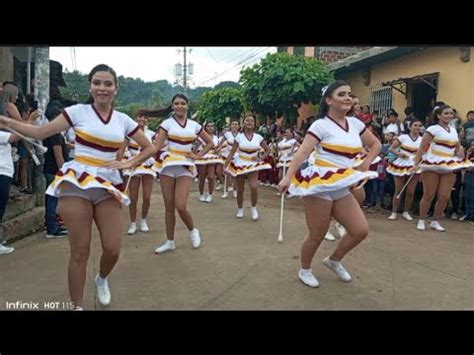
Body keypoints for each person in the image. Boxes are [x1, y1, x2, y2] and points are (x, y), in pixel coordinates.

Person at [0, 64, 156, 309]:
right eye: (97, 83)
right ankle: (77, 305)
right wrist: (6, 121)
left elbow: (150, 147)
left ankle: (102, 278)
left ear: (116, 88)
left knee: (113, 249)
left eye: (107, 84)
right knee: (80, 251)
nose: (102, 88)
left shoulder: (123, 120)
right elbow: (40, 132)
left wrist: (128, 162)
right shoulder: (77, 112)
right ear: (90, 86)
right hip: (77, 183)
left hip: (107, 184)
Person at [278, 80, 381, 288]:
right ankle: (304, 269)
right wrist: (288, 177)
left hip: (342, 183)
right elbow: (304, 152)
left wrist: (366, 163)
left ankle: (333, 260)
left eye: (349, 94)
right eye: (341, 94)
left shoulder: (355, 124)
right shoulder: (320, 125)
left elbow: (376, 144)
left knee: (360, 230)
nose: (348, 98)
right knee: (317, 234)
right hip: (320, 184)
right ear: (328, 100)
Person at [149, 94, 214, 254]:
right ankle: (170, 241)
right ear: (172, 106)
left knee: (181, 206)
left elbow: (210, 143)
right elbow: (156, 146)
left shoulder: (194, 125)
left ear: (187, 105)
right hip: (168, 165)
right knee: (169, 207)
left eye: (182, 103)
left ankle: (193, 230)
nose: (179, 106)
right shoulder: (166, 124)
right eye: (176, 103)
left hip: (185, 166)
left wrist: (198, 156)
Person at [413, 105, 472, 232]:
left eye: (451, 113)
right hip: (432, 162)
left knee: (445, 196)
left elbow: (457, 144)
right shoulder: (432, 129)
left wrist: (460, 148)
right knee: (429, 194)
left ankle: (435, 221)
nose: (449, 116)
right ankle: (422, 219)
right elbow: (423, 147)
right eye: (446, 113)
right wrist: (415, 163)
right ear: (439, 115)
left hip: (448, 163)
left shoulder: (453, 129)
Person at [225, 113, 271, 220]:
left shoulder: (258, 137)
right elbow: (232, 152)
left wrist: (261, 158)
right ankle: (240, 209)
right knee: (240, 189)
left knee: (254, 187)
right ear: (243, 123)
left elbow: (268, 149)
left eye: (251, 121)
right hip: (240, 163)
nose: (249, 122)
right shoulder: (239, 138)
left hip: (253, 164)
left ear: (254, 124)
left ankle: (254, 208)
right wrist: (225, 166)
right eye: (247, 120)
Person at [119, 111, 157, 235]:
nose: (142, 119)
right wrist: (119, 164)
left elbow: (154, 150)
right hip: (133, 165)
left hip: (147, 165)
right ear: (135, 118)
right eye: (140, 116)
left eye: (145, 117)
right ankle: (133, 223)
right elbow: (122, 150)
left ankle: (143, 220)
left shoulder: (152, 134)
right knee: (133, 197)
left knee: (146, 197)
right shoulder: (129, 134)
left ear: (148, 120)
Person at [386, 119, 423, 220]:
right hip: (401, 163)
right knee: (398, 190)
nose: (417, 127)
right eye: (415, 125)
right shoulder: (403, 137)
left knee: (411, 191)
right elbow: (391, 148)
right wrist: (399, 154)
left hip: (414, 165)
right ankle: (394, 212)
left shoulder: (422, 139)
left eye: (419, 125)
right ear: (410, 127)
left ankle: (406, 212)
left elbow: (425, 153)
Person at [195, 121, 223, 203]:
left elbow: (217, 149)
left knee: (211, 177)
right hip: (202, 157)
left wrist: (219, 151)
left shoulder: (216, 138)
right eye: (208, 126)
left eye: (212, 126)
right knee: (202, 177)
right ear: (205, 127)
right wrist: (194, 156)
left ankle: (210, 194)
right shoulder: (201, 137)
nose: (210, 128)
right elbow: (196, 148)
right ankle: (201, 194)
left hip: (212, 158)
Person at [220, 119, 240, 198]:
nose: (234, 126)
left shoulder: (241, 135)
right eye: (233, 124)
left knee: (235, 174)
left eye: (236, 124)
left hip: (237, 156)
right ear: (230, 126)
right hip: (227, 155)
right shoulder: (227, 134)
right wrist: (218, 150)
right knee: (227, 174)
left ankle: (235, 190)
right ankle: (226, 191)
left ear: (239, 126)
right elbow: (221, 143)